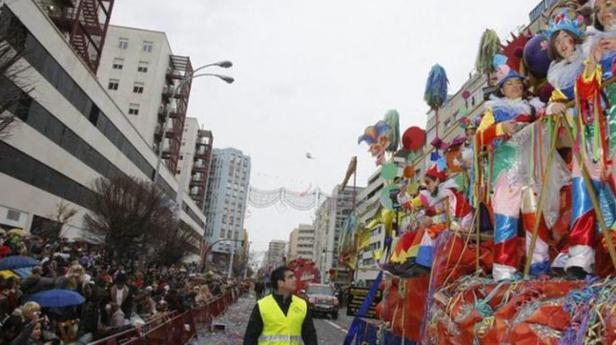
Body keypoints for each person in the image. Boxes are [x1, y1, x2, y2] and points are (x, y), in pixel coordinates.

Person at [243, 266, 317, 345]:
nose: (295, 279)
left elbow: (310, 336)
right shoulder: (262, 305)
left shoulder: (302, 305)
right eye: (290, 277)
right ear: (280, 283)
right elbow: (250, 338)